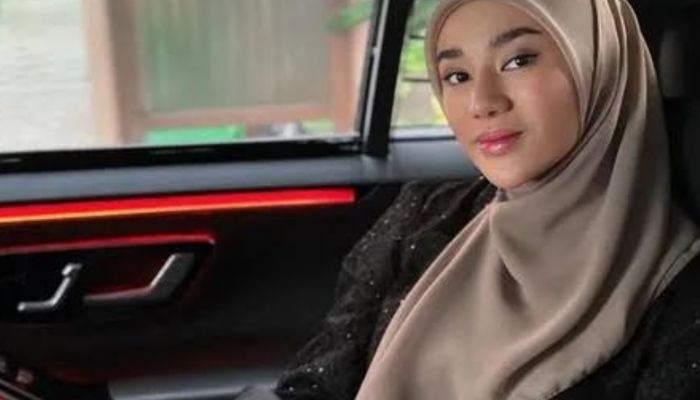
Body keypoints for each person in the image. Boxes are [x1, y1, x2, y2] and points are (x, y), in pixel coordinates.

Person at [241, 0, 700, 399]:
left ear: (599, 64)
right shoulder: (426, 214)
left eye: (518, 61)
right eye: (457, 75)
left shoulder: (679, 298)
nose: (482, 102)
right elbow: (317, 383)